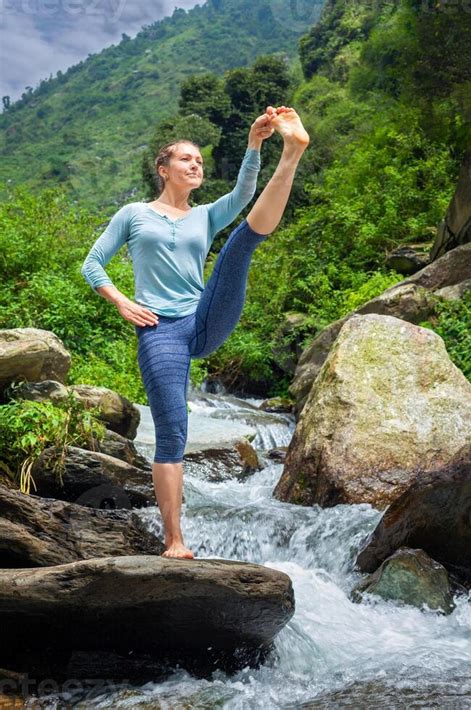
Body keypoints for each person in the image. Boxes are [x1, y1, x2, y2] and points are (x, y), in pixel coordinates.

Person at [81, 105, 310, 558]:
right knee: (171, 432)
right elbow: (92, 263)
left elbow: (245, 192)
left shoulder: (205, 216)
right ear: (163, 169)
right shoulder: (133, 213)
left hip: (202, 317)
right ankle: (175, 541)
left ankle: (293, 152)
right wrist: (123, 301)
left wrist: (255, 144)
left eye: (200, 162)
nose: (196, 165)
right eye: (187, 159)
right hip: (159, 331)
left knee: (242, 243)